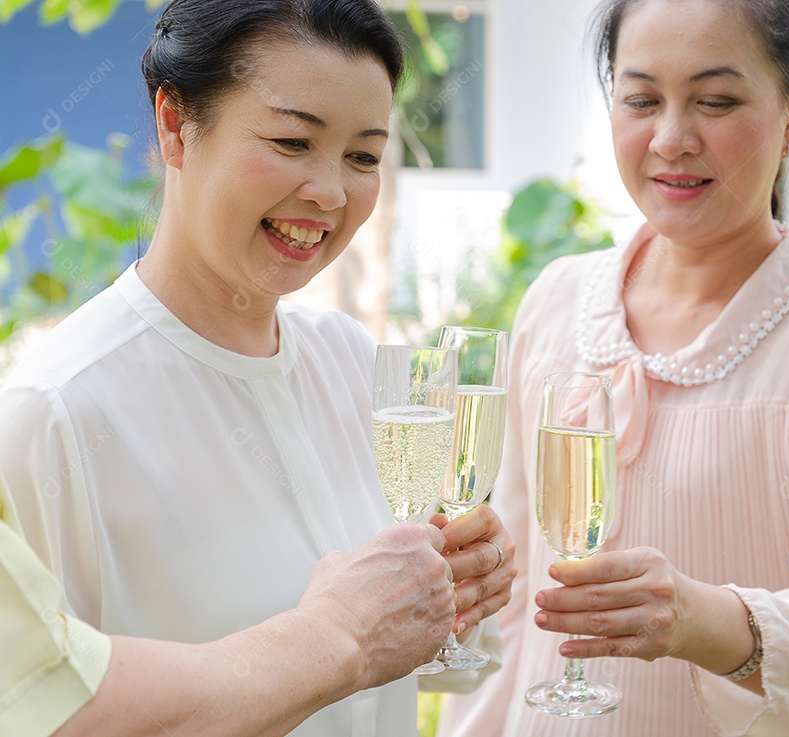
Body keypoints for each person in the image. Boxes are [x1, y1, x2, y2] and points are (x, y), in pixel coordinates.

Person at [0, 1, 514, 735]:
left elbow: (434, 667)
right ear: (175, 125)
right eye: (291, 140)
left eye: (363, 156)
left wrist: (459, 592)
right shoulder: (51, 413)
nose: (331, 192)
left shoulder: (355, 363)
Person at [437, 0, 789, 735]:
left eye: (716, 101)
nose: (670, 138)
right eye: (641, 99)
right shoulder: (557, 300)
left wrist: (700, 619)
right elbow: (515, 587)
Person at [0, 468, 494, 737]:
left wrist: (464, 587)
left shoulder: (353, 352)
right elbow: (53, 708)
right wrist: (343, 635)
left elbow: (450, 672)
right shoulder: (52, 407)